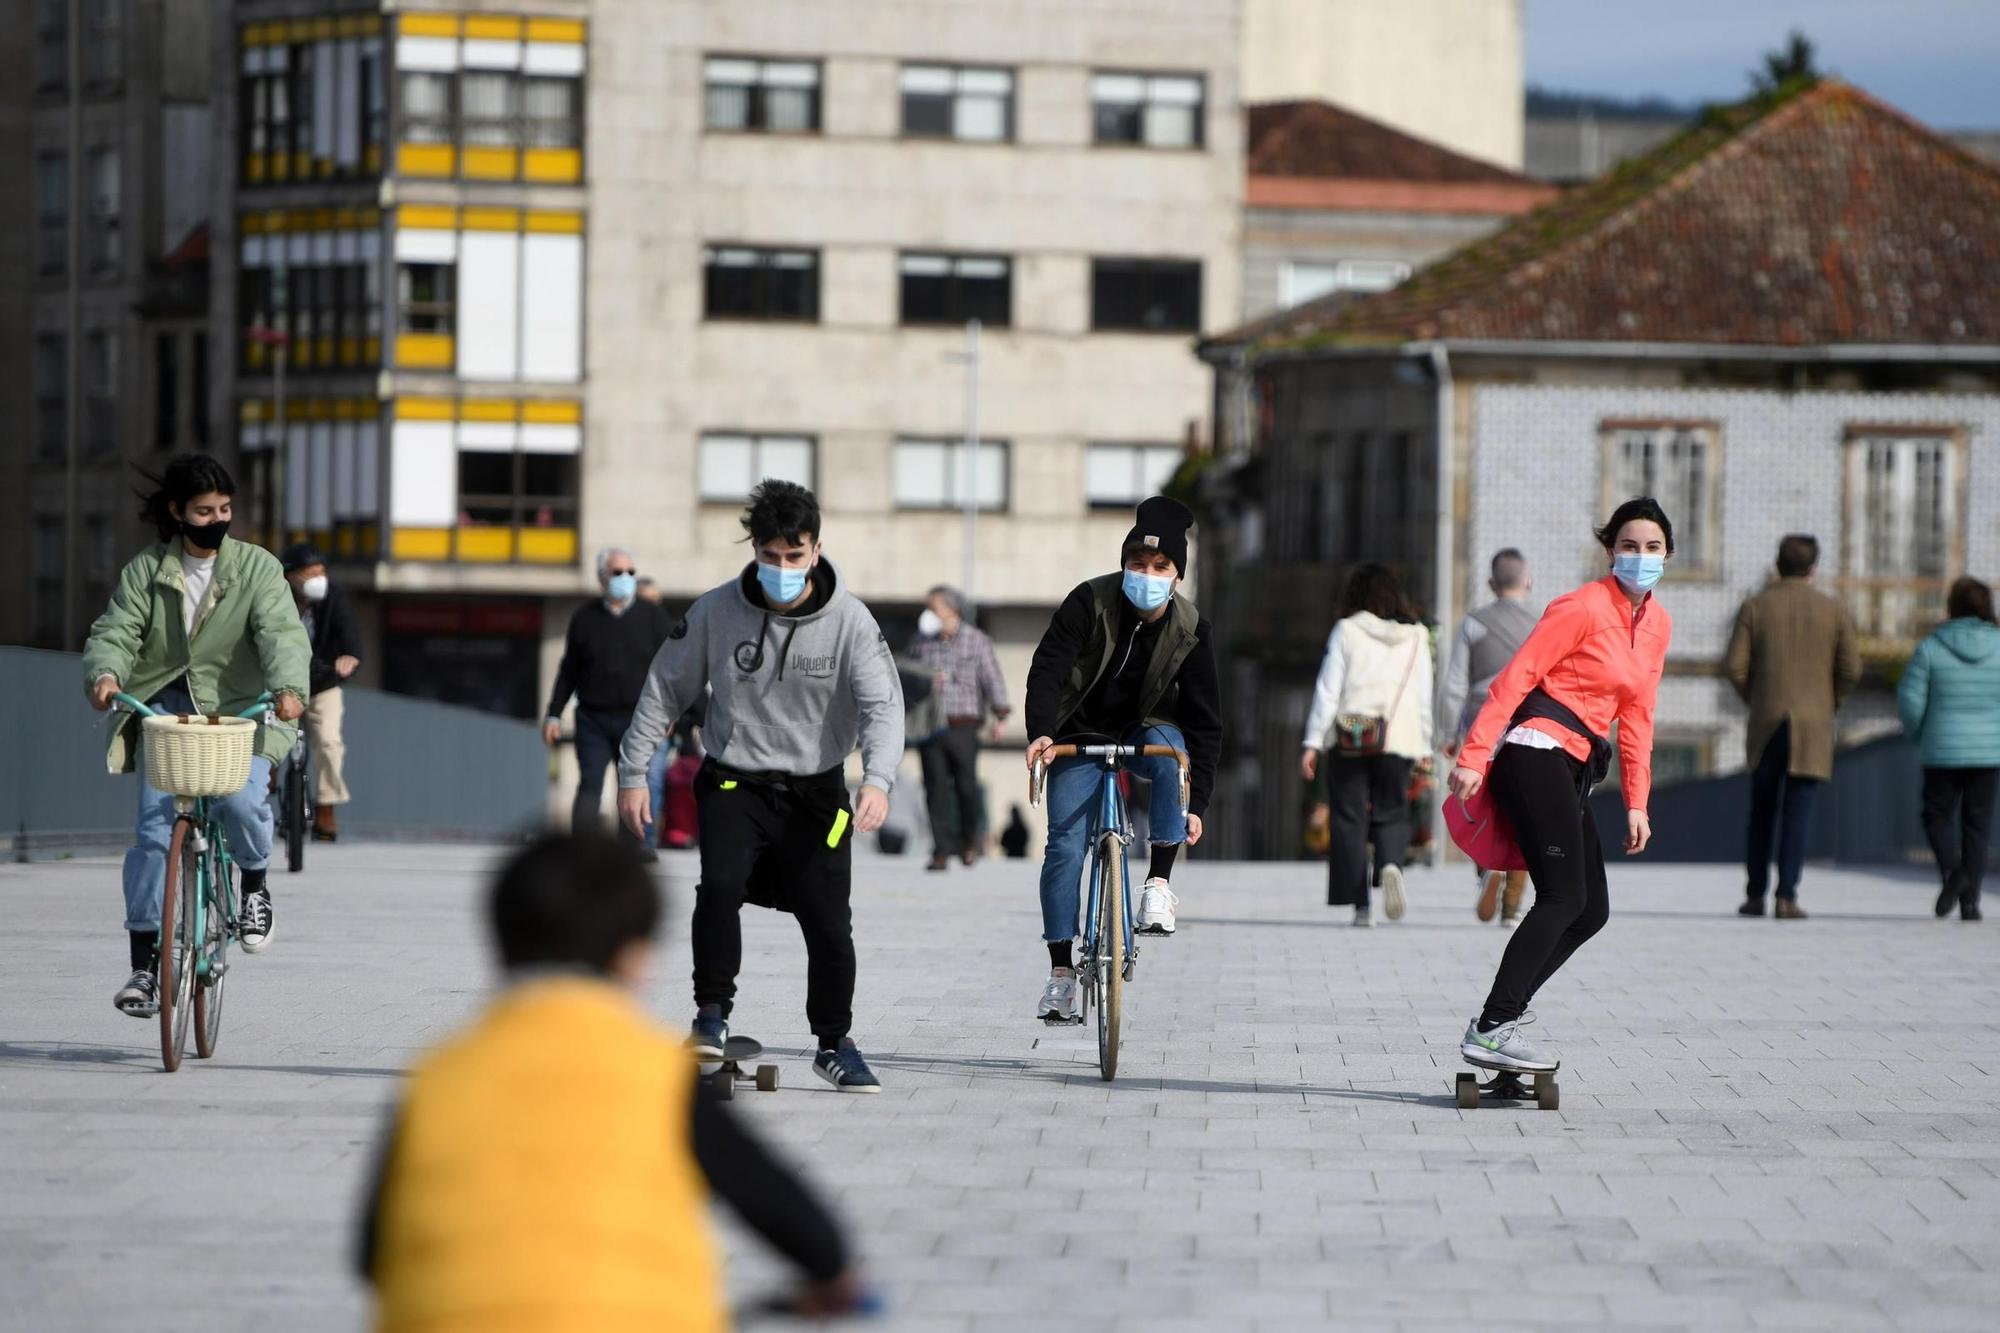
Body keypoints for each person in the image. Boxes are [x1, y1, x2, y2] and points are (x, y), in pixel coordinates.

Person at [356, 833, 867, 1330]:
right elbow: (796, 1221)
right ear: (635, 958)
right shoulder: (655, 1071)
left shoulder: (441, 1076)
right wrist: (832, 1277)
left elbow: (372, 1253)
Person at [614, 481, 904, 1092]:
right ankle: (710, 1018)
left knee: (828, 923)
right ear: (754, 551)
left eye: (793, 557)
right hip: (733, 781)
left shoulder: (850, 621)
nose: (781, 569)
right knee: (718, 887)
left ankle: (834, 1042)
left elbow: (883, 706)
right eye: (769, 556)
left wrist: (877, 779)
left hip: (816, 792)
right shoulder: (717, 611)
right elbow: (665, 688)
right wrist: (633, 771)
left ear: (816, 552)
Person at [1448, 497, 1674, 1074]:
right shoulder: (1581, 606)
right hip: (1536, 750)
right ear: (1609, 552)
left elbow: (1640, 716)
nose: (1640, 557)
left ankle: (1502, 1020)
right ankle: (1495, 1025)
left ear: (1667, 555)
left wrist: (1637, 801)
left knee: (1590, 909)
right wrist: (1475, 754)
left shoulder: (1657, 626)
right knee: (1562, 895)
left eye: (1652, 548)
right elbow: (1517, 676)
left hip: (1576, 763)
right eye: (1628, 546)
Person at [82, 454, 311, 1015]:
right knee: (155, 832)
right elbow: (117, 629)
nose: (217, 519)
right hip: (167, 713)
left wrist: (287, 689)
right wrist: (106, 674)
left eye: (225, 509)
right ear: (177, 513)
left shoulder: (257, 569)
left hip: (241, 712)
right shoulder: (146, 571)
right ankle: (144, 968)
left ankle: (254, 884)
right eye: (204, 510)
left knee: (240, 798)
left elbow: (281, 632)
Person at [1024, 496, 1222, 1022]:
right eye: (1137, 563)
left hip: (1145, 726)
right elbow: (1047, 668)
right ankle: (1061, 975)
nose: (1147, 575)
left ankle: (1157, 886)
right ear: (1124, 563)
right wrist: (1041, 733)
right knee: (1064, 843)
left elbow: (1205, 722)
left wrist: (1195, 801)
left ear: (1177, 574)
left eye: (1160, 567)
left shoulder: (1192, 626)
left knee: (1170, 755)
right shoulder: (1088, 602)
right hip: (1078, 729)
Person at [1725, 535, 1861, 920]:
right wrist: (1828, 702)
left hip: (1767, 720)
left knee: (1762, 811)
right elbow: (1851, 667)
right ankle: (1787, 896)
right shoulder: (1833, 610)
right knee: (1798, 812)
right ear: (1813, 568)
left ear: (1778, 564)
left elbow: (1734, 665)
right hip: (1814, 724)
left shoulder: (1755, 606)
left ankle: (1754, 895)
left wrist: (1758, 698)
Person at [1300, 564, 1434, 927]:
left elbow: (1329, 690)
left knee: (1348, 817)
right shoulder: (1417, 636)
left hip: (1350, 737)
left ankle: (1361, 906)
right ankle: (1391, 864)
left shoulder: (1347, 630)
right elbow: (1423, 694)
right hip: (1401, 737)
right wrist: (1425, 747)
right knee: (1392, 810)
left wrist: (1312, 741)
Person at [1436, 549, 1537, 927]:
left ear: (1492, 584)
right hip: (1531, 724)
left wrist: (1447, 732)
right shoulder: (1542, 623)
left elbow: (1454, 685)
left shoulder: (1473, 624)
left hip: (1482, 722)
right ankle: (1512, 906)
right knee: (1526, 809)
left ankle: (1487, 868)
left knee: (1483, 802)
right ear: (1528, 581)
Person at [543, 547, 673, 836]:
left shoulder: (652, 617)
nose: (625, 578)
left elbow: (669, 669)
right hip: (593, 719)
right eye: (617, 572)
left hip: (636, 720)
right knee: (590, 783)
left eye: (630, 572)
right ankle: (580, 849)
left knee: (633, 784)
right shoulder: (584, 617)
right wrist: (553, 714)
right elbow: (569, 670)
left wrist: (668, 714)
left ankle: (633, 848)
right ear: (602, 577)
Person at [1898, 576, 2000, 923]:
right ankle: (1970, 902)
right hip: (1989, 752)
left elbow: (1910, 700)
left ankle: (1954, 872)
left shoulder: (1931, 647)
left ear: (1952, 606)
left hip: (1941, 747)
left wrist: (1921, 734)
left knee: (1936, 816)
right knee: (1977, 824)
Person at [907, 585, 1011, 871]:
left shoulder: (977, 641)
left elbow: (992, 679)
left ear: (951, 610)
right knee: (935, 789)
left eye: (934, 607)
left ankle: (968, 842)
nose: (929, 613)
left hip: (964, 725)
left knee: (966, 787)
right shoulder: (920, 642)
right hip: (930, 727)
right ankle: (941, 850)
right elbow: (906, 677)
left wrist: (1000, 717)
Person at [281, 542, 363, 842]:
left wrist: (349, 656)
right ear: (290, 576)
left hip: (322, 683)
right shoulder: (273, 597)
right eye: (310, 573)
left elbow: (349, 632)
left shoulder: (333, 597)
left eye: (322, 572)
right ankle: (267, 781)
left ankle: (326, 806)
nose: (319, 579)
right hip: (279, 686)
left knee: (329, 742)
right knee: (262, 738)